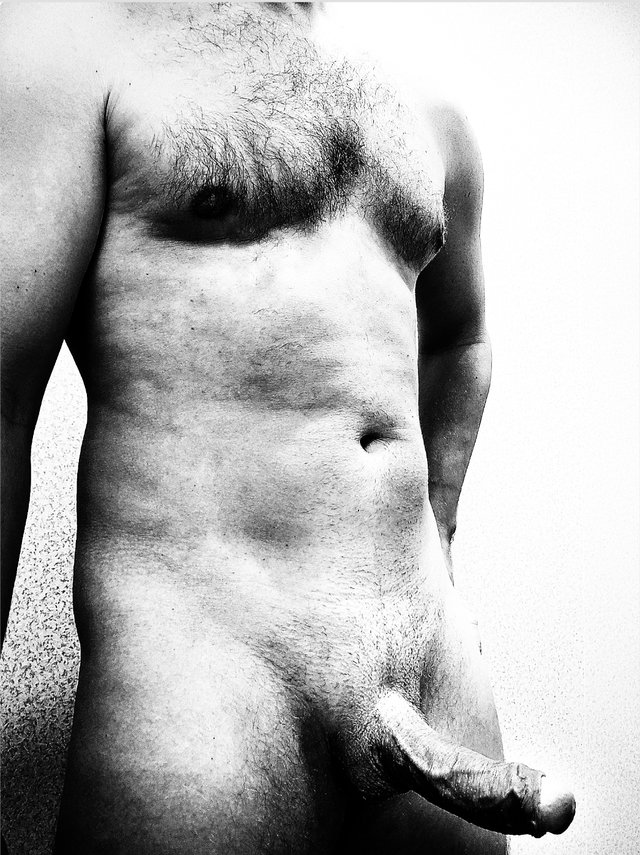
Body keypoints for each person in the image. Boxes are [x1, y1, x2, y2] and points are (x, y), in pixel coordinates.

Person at [0, 4, 575, 853]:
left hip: (434, 671)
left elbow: (460, 340)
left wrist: (443, 543)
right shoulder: (79, 44)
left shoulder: (428, 108)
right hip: (214, 686)